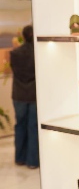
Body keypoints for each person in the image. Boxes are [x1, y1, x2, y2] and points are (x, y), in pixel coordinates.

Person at [10, 25, 39, 169]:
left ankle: (19, 158)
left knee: (19, 126)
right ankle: (32, 161)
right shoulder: (38, 53)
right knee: (32, 127)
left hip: (18, 95)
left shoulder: (15, 53)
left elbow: (15, 72)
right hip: (33, 95)